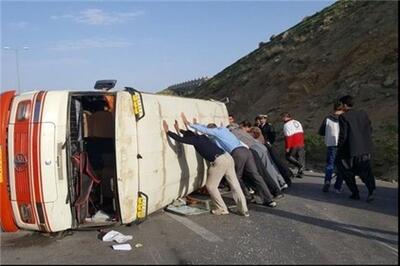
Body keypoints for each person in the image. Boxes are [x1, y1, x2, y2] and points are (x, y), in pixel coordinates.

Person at [181, 113, 277, 208]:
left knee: (236, 177)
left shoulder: (215, 132)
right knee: (256, 176)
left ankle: (246, 197)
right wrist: (196, 124)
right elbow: (206, 132)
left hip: (237, 153)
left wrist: (189, 124)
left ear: (212, 130)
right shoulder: (223, 130)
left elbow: (205, 131)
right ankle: (269, 200)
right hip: (246, 151)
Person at [163, 120, 249, 216]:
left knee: (211, 186)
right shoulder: (202, 137)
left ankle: (221, 208)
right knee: (235, 185)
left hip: (219, 161)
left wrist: (168, 132)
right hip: (228, 157)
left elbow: (180, 139)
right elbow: (187, 134)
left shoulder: (194, 140)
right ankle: (243, 209)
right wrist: (179, 129)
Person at [335, 95, 376, 202]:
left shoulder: (343, 117)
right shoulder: (363, 114)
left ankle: (355, 193)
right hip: (364, 149)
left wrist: (338, 147)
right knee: (366, 172)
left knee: (346, 171)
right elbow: (370, 129)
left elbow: (343, 136)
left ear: (344, 105)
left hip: (349, 150)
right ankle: (371, 191)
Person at [228, 123, 287, 196]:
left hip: (253, 148)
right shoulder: (241, 131)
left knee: (262, 171)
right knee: (269, 168)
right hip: (260, 146)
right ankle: (278, 186)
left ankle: (274, 190)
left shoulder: (231, 134)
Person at [318, 101, 345, 193]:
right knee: (341, 166)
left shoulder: (327, 118)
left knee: (330, 164)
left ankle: (327, 181)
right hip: (342, 145)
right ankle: (337, 187)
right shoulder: (345, 118)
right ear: (343, 108)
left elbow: (321, 131)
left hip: (331, 144)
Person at [281, 112, 305, 178]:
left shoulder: (286, 125)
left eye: (283, 117)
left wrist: (287, 147)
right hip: (301, 141)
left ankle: (299, 165)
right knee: (300, 157)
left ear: (286, 117)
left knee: (288, 156)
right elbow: (302, 132)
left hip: (293, 143)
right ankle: (301, 172)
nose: (282, 119)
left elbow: (288, 137)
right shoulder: (297, 122)